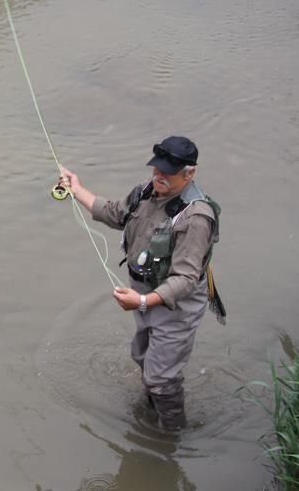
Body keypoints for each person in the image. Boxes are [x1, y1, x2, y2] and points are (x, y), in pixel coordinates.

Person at [58, 136, 221, 430]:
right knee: (142, 356)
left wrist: (144, 301)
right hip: (143, 294)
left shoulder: (196, 217)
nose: (158, 176)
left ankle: (171, 438)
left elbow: (185, 279)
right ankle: (151, 411)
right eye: (156, 169)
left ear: (189, 173)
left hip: (175, 306)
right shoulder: (146, 191)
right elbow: (115, 213)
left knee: (161, 378)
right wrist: (76, 190)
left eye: (167, 172)